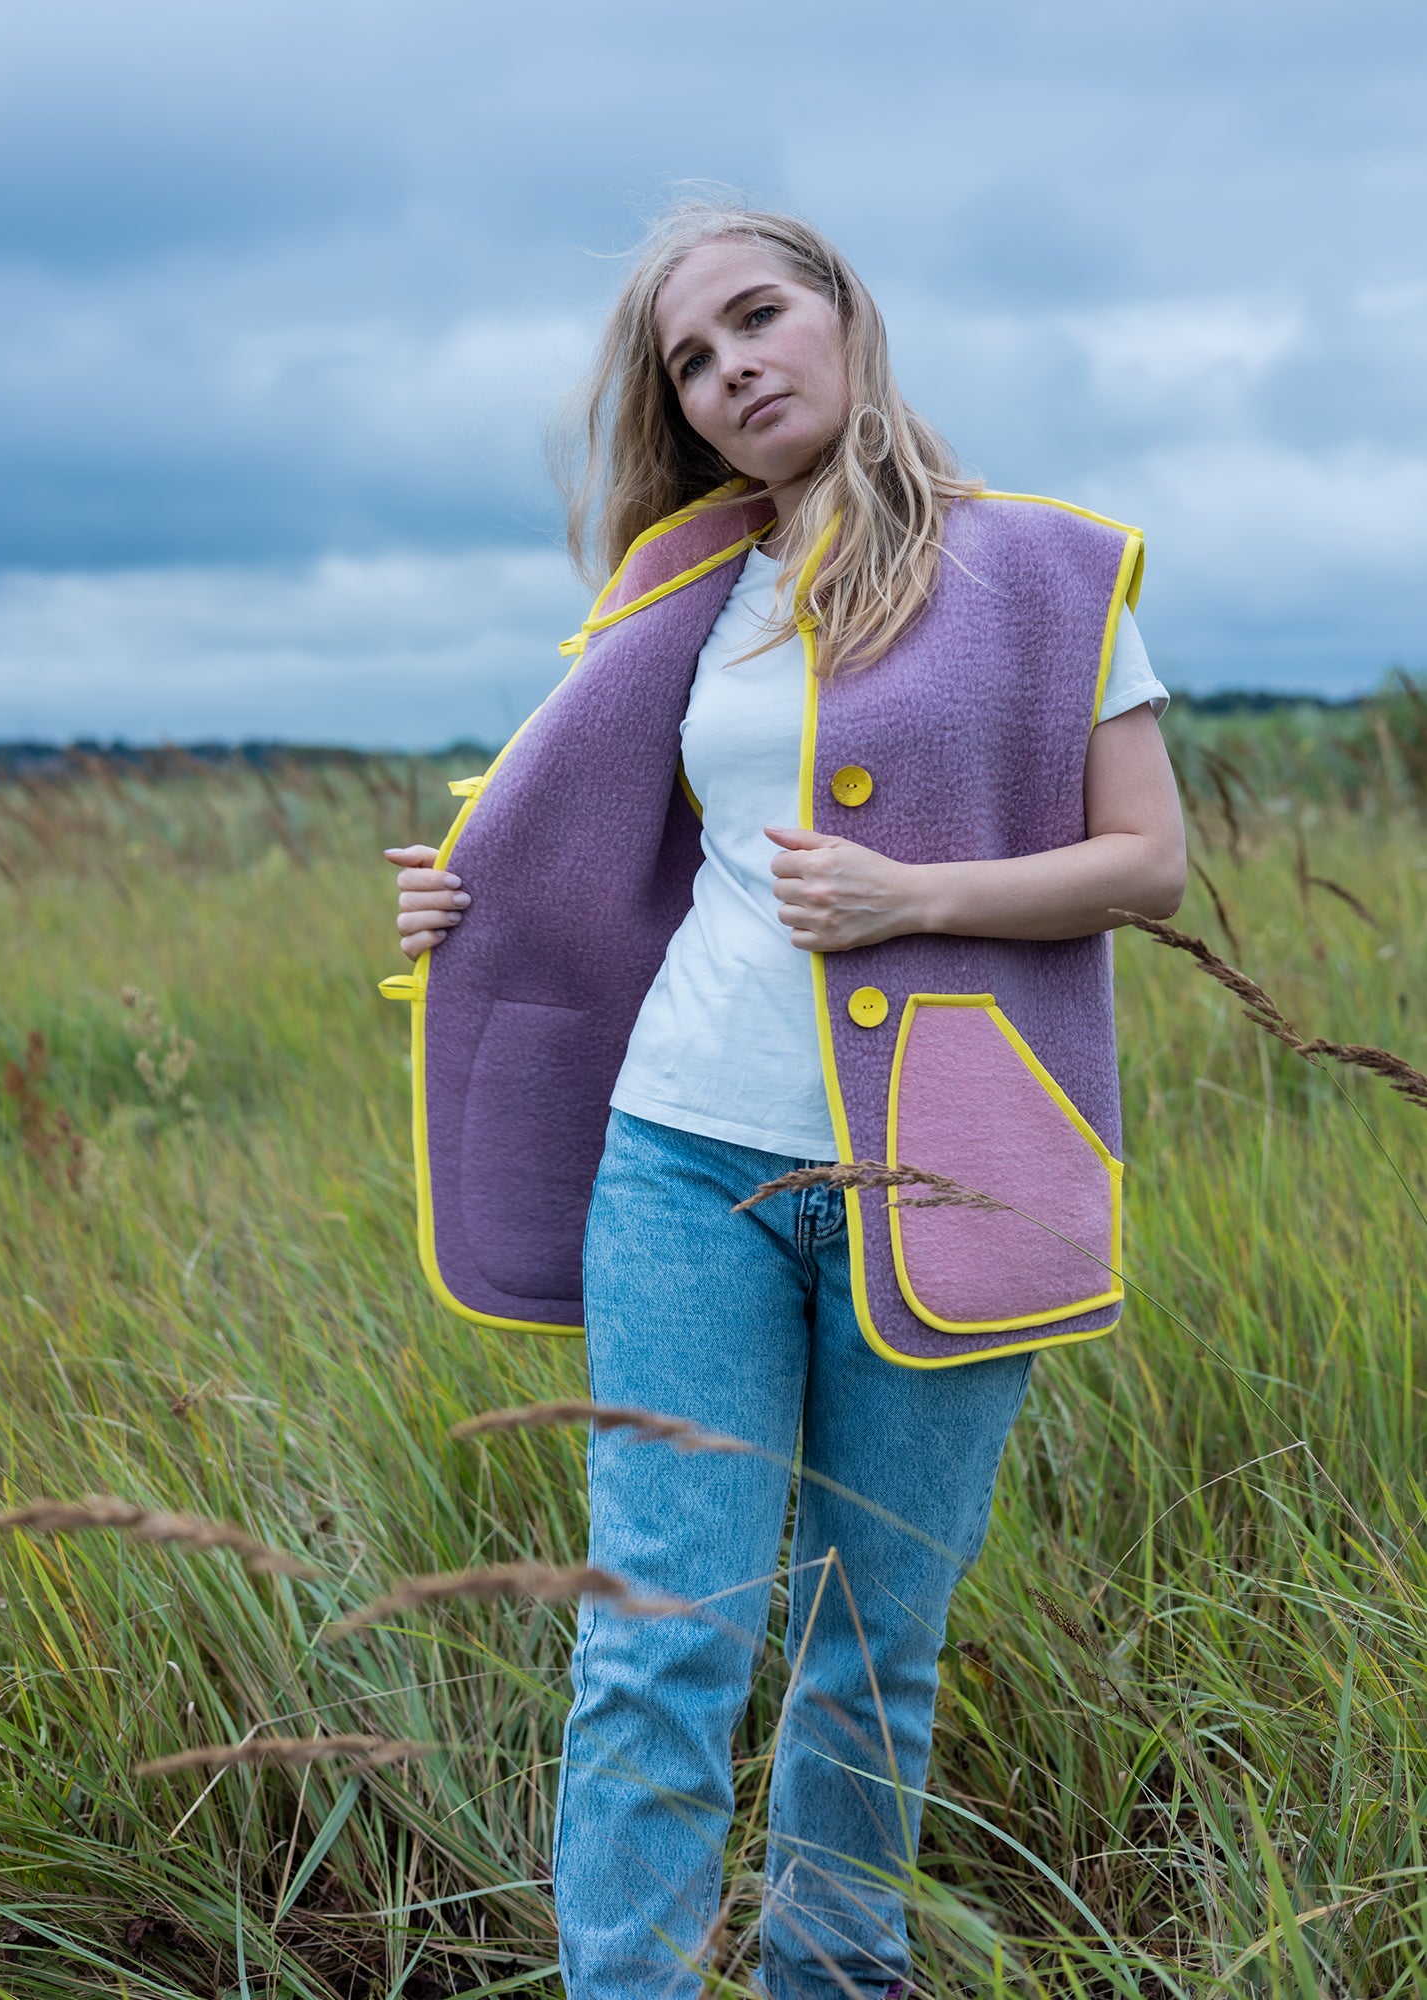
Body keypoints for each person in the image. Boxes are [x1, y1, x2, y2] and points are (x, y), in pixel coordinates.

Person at [383, 203, 1185, 2000]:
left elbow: (1151, 862)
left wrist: (919, 899)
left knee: (870, 1638)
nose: (733, 361)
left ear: (844, 317)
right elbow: (592, 842)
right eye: (692, 355)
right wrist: (461, 894)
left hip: (956, 1166)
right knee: (662, 1640)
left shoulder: (1053, 575)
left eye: (760, 315)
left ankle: (837, 1976)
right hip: (681, 1160)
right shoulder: (684, 589)